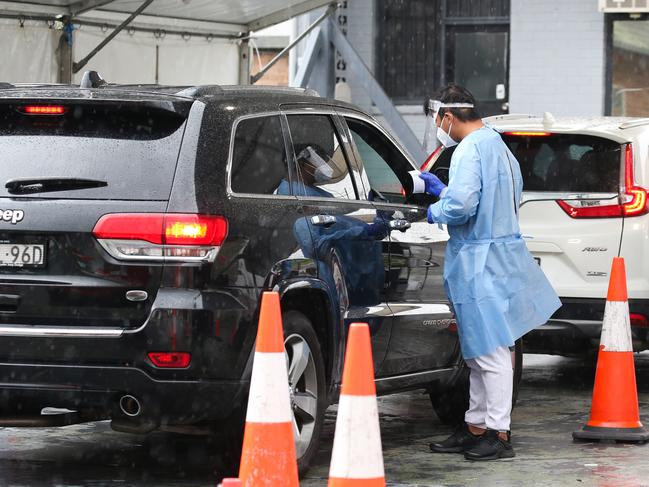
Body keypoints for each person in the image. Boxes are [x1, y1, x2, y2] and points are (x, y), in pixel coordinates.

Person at [419, 84, 561, 461]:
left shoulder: (468, 150)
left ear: (447, 117)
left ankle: (498, 434)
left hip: (478, 261)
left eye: (437, 120)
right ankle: (475, 425)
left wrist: (436, 208)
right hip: (496, 257)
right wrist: (447, 193)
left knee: (492, 352)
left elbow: (463, 206)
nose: (438, 127)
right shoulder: (498, 146)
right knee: (480, 350)